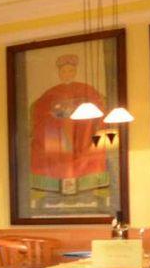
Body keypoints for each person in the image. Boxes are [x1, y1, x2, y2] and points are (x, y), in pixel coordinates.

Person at [29, 53, 109, 197]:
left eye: (70, 71)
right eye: (64, 71)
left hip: (83, 131)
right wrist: (57, 114)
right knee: (41, 147)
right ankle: (52, 185)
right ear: (59, 73)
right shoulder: (51, 93)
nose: (67, 74)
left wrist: (78, 114)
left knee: (100, 144)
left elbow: (99, 108)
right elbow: (40, 111)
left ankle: (91, 183)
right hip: (57, 132)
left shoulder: (86, 88)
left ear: (75, 72)